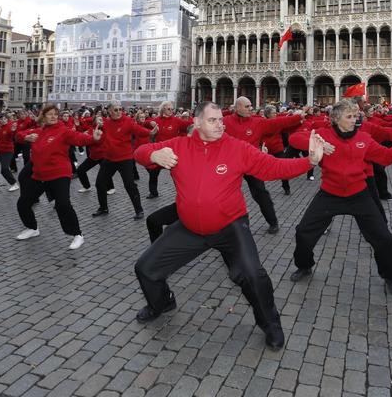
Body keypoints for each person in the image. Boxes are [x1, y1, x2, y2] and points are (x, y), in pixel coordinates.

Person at [132, 102, 324, 351]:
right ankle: (162, 302)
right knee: (145, 268)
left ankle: (270, 324)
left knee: (253, 276)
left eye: (221, 119)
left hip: (230, 226)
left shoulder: (237, 148)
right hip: (190, 228)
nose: (220, 124)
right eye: (212, 120)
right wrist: (152, 155)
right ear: (197, 123)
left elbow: (272, 168)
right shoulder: (177, 147)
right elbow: (140, 151)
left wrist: (309, 162)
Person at [287, 99, 392, 296]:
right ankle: (304, 266)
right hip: (329, 194)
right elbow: (294, 139)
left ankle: (391, 276)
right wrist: (317, 143)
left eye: (355, 116)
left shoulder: (364, 138)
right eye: (349, 116)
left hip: (359, 195)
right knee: (303, 232)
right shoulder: (324, 134)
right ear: (336, 119)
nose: (355, 119)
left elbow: (387, 157)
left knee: (384, 238)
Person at [15, 104, 99, 250]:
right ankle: (32, 228)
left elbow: (79, 138)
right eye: (50, 114)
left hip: (59, 174)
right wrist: (27, 137)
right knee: (23, 203)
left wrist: (93, 138)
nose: (53, 116)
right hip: (40, 175)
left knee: (63, 205)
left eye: (55, 114)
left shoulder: (63, 131)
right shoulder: (39, 131)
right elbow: (18, 135)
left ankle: (77, 235)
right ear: (43, 116)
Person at [224, 96, 303, 233]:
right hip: (231, 164)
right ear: (237, 108)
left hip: (251, 164)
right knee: (223, 193)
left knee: (260, 193)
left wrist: (297, 117)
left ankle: (273, 222)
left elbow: (278, 123)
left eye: (251, 106)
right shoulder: (225, 122)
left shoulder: (257, 122)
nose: (251, 109)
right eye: (247, 106)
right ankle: (221, 224)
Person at [91, 100, 155, 220]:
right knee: (100, 183)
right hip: (109, 159)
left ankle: (139, 210)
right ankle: (103, 208)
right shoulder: (105, 123)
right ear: (109, 111)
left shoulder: (128, 121)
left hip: (125, 158)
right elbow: (95, 128)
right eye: (115, 109)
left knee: (129, 185)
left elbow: (139, 131)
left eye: (120, 109)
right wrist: (96, 121)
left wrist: (150, 133)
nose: (119, 112)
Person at [146, 101, 191, 198]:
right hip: (159, 152)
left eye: (172, 109)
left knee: (177, 175)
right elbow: (144, 123)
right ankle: (153, 192)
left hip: (172, 152)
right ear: (163, 109)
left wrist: (199, 121)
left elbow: (188, 124)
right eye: (169, 109)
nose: (171, 111)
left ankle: (181, 193)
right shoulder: (156, 120)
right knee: (153, 173)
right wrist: (150, 122)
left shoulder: (176, 120)